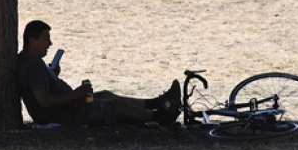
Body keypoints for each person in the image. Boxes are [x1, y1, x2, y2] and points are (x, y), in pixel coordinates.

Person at [17, 19, 181, 127]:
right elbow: (44, 101)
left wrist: (53, 76)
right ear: (32, 40)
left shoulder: (29, 61)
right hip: (64, 115)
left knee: (106, 95)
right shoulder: (33, 65)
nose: (50, 43)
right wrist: (76, 95)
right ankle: (159, 117)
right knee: (111, 106)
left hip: (66, 109)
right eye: (45, 38)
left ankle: (156, 103)